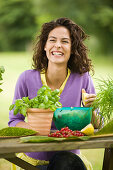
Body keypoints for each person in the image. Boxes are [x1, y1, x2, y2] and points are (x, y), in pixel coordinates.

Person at [8, 17, 100, 170]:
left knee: (64, 162)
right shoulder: (26, 78)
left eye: (65, 41)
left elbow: (96, 125)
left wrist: (92, 109)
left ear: (72, 48)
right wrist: (38, 132)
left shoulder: (83, 79)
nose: (57, 45)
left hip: (70, 162)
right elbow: (14, 120)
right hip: (33, 161)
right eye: (52, 40)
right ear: (44, 45)